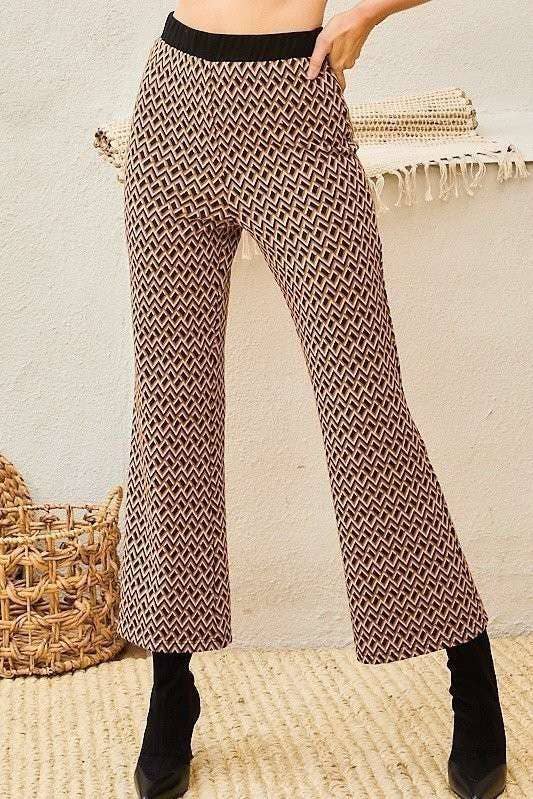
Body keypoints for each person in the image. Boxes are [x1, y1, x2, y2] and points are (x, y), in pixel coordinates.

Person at [116, 2, 507, 797]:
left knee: (364, 406)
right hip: (173, 102)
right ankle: (170, 682)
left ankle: (470, 670)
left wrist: (368, 14)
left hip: (294, 109)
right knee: (169, 407)